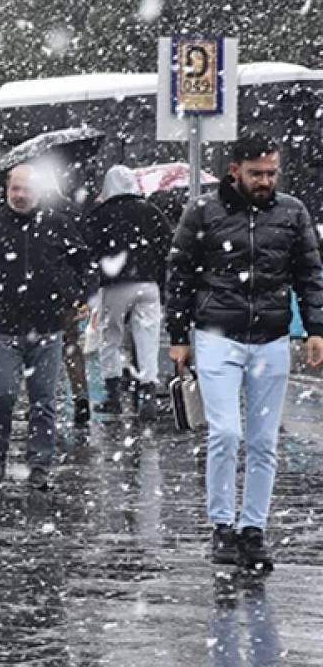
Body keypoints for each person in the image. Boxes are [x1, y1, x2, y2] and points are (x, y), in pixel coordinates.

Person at [167, 133, 323, 571]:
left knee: (263, 440)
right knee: (226, 434)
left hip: (271, 337)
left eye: (272, 172)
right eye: (257, 173)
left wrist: (316, 328)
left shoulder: (292, 213)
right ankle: (222, 525)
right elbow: (179, 274)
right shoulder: (203, 212)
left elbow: (310, 273)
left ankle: (253, 530)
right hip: (217, 333)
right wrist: (178, 336)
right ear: (234, 170)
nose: (266, 181)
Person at [0, 164, 93, 490]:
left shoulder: (58, 224)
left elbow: (84, 264)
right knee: (2, 394)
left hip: (47, 327)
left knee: (43, 399)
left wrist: (80, 294)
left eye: (26, 189)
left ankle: (39, 462)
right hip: (2, 327)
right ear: (6, 190)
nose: (20, 195)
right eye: (15, 188)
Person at [84, 165, 171, 419]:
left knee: (110, 337)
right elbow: (166, 246)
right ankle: (147, 395)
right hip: (148, 284)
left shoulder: (100, 214)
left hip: (115, 285)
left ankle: (113, 394)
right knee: (147, 338)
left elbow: (91, 251)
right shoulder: (151, 211)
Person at [50, 191, 92, 425]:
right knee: (71, 346)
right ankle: (80, 396)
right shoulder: (72, 212)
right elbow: (84, 255)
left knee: (41, 348)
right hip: (67, 291)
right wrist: (82, 292)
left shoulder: (34, 215)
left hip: (41, 292)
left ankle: (46, 398)